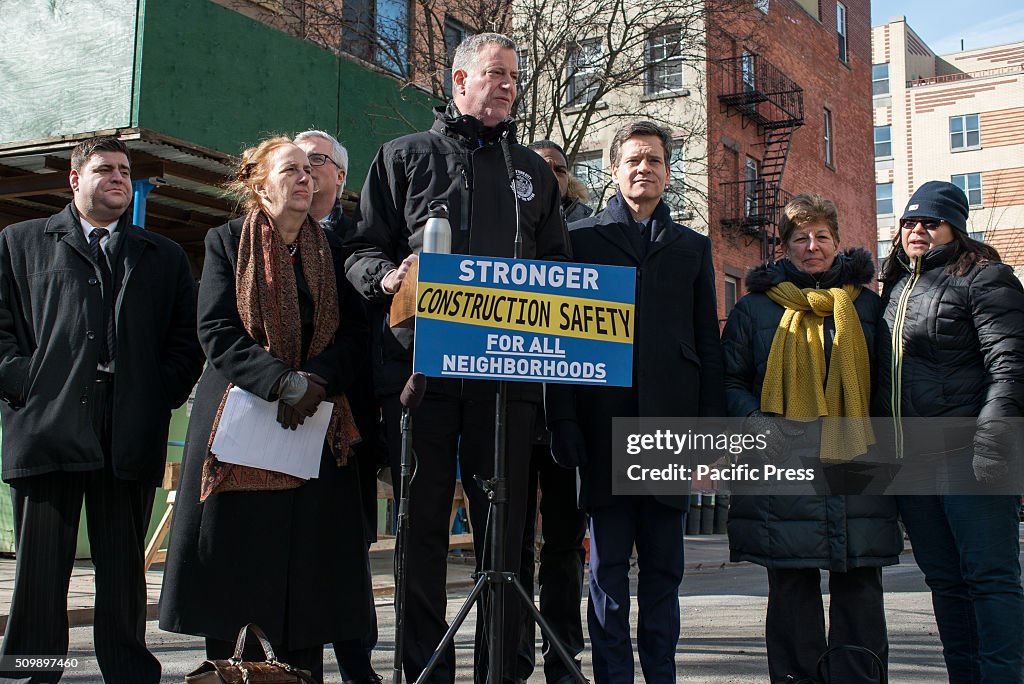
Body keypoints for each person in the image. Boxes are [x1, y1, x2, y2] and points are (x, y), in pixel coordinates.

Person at [344, 32, 570, 684]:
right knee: (421, 531)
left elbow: (559, 270)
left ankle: (500, 670)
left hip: (509, 383)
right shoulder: (403, 158)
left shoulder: (531, 172)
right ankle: (424, 671)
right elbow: (362, 253)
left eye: (513, 78)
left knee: (507, 538)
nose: (504, 87)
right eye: (493, 74)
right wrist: (388, 279)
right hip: (423, 377)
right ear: (459, 80)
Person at [159, 137, 377, 683]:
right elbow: (215, 329)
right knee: (239, 577)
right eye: (291, 171)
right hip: (241, 432)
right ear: (259, 184)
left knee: (306, 587)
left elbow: (354, 335)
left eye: (311, 170)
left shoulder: (333, 251)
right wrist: (281, 383)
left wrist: (316, 383)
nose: (306, 178)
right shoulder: (225, 241)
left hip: (313, 428)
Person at [0, 136, 203, 683]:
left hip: (128, 426)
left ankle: (129, 673)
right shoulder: (21, 243)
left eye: (124, 170)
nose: (118, 177)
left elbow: (186, 341)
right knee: (41, 570)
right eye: (105, 169)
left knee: (121, 570)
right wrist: (27, 384)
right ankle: (34, 671)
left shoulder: (160, 255)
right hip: (49, 423)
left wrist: (159, 391)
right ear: (74, 179)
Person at [546, 121, 725, 684]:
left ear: (667, 172)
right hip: (604, 429)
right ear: (615, 169)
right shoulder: (585, 240)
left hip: (670, 434)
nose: (642, 168)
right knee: (606, 572)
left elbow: (707, 344)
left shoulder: (693, 249)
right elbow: (562, 342)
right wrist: (565, 423)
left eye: (653, 160)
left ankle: (662, 675)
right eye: (632, 160)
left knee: (665, 571)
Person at [721, 193, 903, 683]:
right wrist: (755, 421)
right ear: (784, 247)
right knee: (792, 590)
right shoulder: (754, 310)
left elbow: (887, 390)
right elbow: (728, 380)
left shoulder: (869, 309)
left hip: (857, 463)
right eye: (800, 237)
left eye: (822, 236)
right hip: (782, 463)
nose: (812, 246)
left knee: (860, 587)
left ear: (839, 243)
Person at [877, 180, 1024, 681]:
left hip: (969, 455)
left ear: (954, 229)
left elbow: (1012, 367)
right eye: (909, 222)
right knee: (943, 581)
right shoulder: (895, 287)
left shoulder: (985, 278)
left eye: (930, 222)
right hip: (912, 461)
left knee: (991, 579)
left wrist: (993, 444)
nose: (917, 230)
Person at [295, 129, 385, 678]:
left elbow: (369, 331)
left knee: (348, 553)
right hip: (282, 412)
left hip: (348, 416)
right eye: (297, 160)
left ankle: (357, 664)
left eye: (318, 160)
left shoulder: (362, 242)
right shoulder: (264, 238)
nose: (306, 169)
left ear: (341, 176)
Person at [513, 139, 590, 684]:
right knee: (511, 544)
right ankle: (510, 657)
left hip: (568, 412)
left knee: (564, 546)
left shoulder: (589, 235)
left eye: (558, 169)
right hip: (512, 409)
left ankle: (563, 656)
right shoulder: (503, 228)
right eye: (538, 167)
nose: (549, 176)